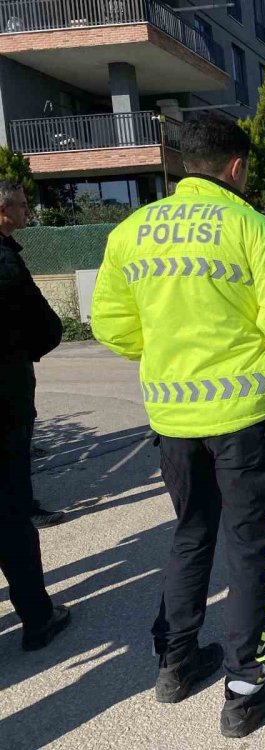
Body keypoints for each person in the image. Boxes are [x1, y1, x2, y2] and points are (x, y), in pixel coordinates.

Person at [92, 115, 265, 739]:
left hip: (171, 415)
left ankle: (175, 662)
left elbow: (110, 325)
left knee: (190, 533)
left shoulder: (130, 232)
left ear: (179, 163)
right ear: (236, 167)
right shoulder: (254, 229)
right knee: (249, 548)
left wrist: (167, 353)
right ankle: (246, 689)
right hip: (244, 418)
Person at [0, 180, 73, 651]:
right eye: (23, 204)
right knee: (9, 514)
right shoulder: (6, 263)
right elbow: (46, 326)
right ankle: (38, 618)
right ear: (2, 210)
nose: (29, 210)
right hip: (3, 405)